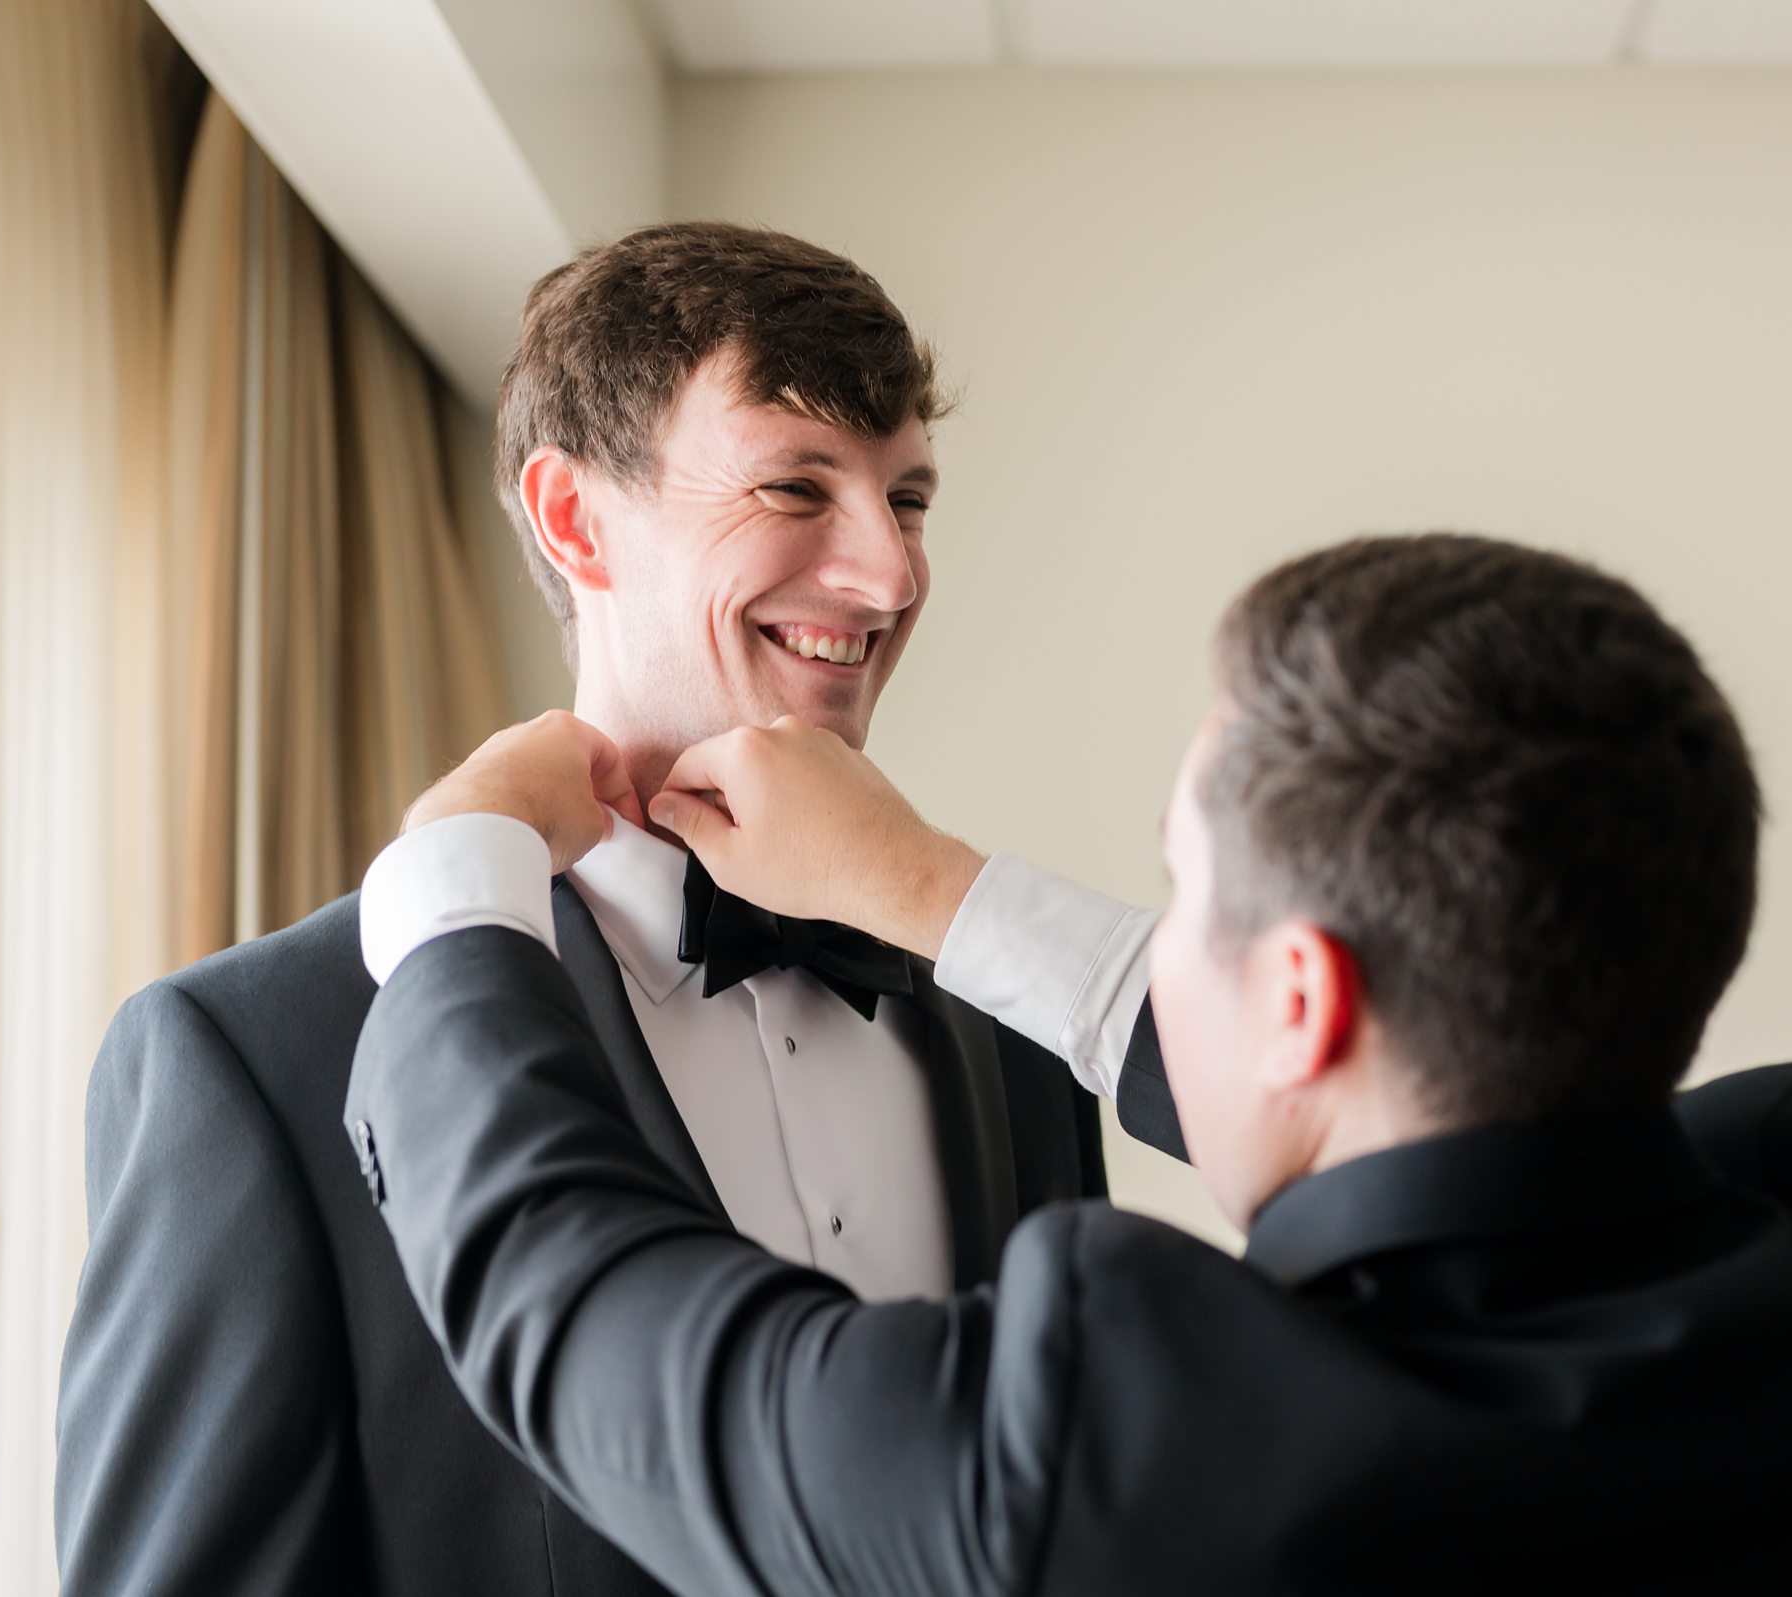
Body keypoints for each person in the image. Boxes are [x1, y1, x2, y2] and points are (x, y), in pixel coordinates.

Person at [345, 533, 1792, 1595]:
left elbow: (573, 1306)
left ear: (1303, 1002)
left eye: (1181, 893)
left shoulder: (1131, 1455)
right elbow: (1460, 1105)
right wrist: (926, 889)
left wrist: (453, 875)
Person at [56, 223, 1142, 1597]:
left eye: (910, 500)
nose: (892, 574)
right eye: (798, 485)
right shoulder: (257, 1057)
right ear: (575, 519)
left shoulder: (1006, 1008)